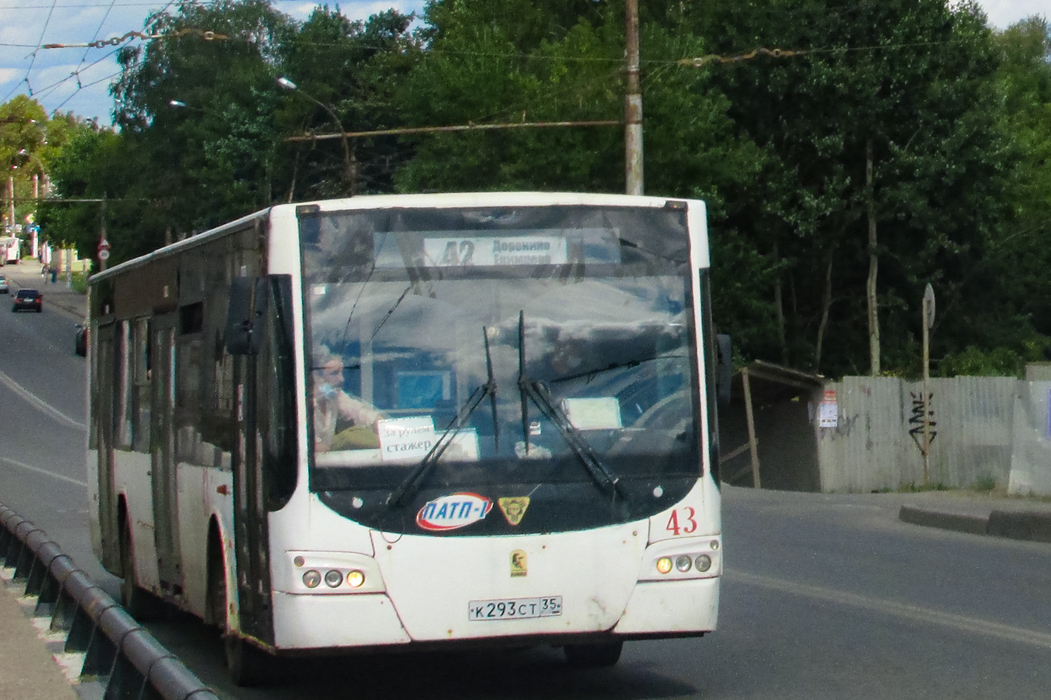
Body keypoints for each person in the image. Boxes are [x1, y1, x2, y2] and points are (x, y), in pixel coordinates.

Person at [312, 348, 385, 452]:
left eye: (341, 373)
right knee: (350, 437)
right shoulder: (301, 404)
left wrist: (386, 429)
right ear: (316, 377)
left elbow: (359, 411)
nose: (342, 379)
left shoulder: (335, 396)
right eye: (334, 373)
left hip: (329, 462)